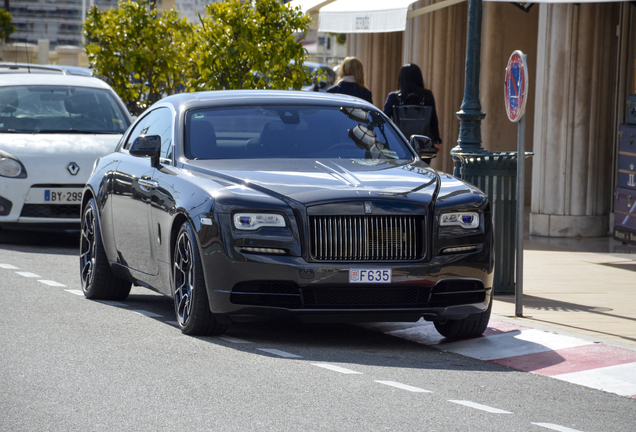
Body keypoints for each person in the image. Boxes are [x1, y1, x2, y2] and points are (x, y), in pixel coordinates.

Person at [383, 64, 442, 156]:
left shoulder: (393, 97)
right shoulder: (427, 96)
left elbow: (384, 119)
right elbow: (433, 120)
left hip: (400, 143)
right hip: (423, 144)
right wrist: (436, 140)